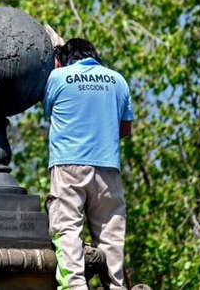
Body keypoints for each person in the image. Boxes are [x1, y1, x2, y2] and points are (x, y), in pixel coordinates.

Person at [43, 38, 134, 289]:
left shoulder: (58, 78)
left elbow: (50, 111)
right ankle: (116, 286)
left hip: (68, 166)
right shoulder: (118, 80)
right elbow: (124, 129)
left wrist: (57, 66)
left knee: (67, 231)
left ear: (63, 59)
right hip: (107, 169)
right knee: (111, 237)